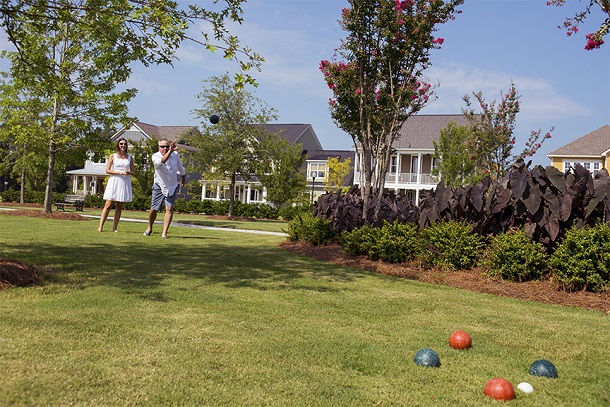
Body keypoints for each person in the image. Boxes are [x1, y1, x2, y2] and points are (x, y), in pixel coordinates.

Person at [143, 139, 186, 239]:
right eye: (162, 147)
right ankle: (149, 227)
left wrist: (183, 177)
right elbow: (162, 162)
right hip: (159, 185)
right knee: (154, 209)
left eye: (167, 146)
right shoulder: (155, 156)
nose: (165, 148)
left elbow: (180, 167)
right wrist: (170, 151)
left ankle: (164, 233)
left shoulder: (175, 155)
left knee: (169, 208)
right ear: (159, 148)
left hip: (172, 185)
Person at [98, 138, 135, 232]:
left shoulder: (129, 157)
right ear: (118, 145)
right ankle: (100, 227)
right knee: (108, 204)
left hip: (124, 181)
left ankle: (114, 228)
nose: (123, 146)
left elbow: (134, 172)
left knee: (119, 205)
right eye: (121, 144)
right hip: (114, 180)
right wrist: (119, 172)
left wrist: (128, 172)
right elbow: (107, 170)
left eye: (125, 144)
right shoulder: (113, 156)